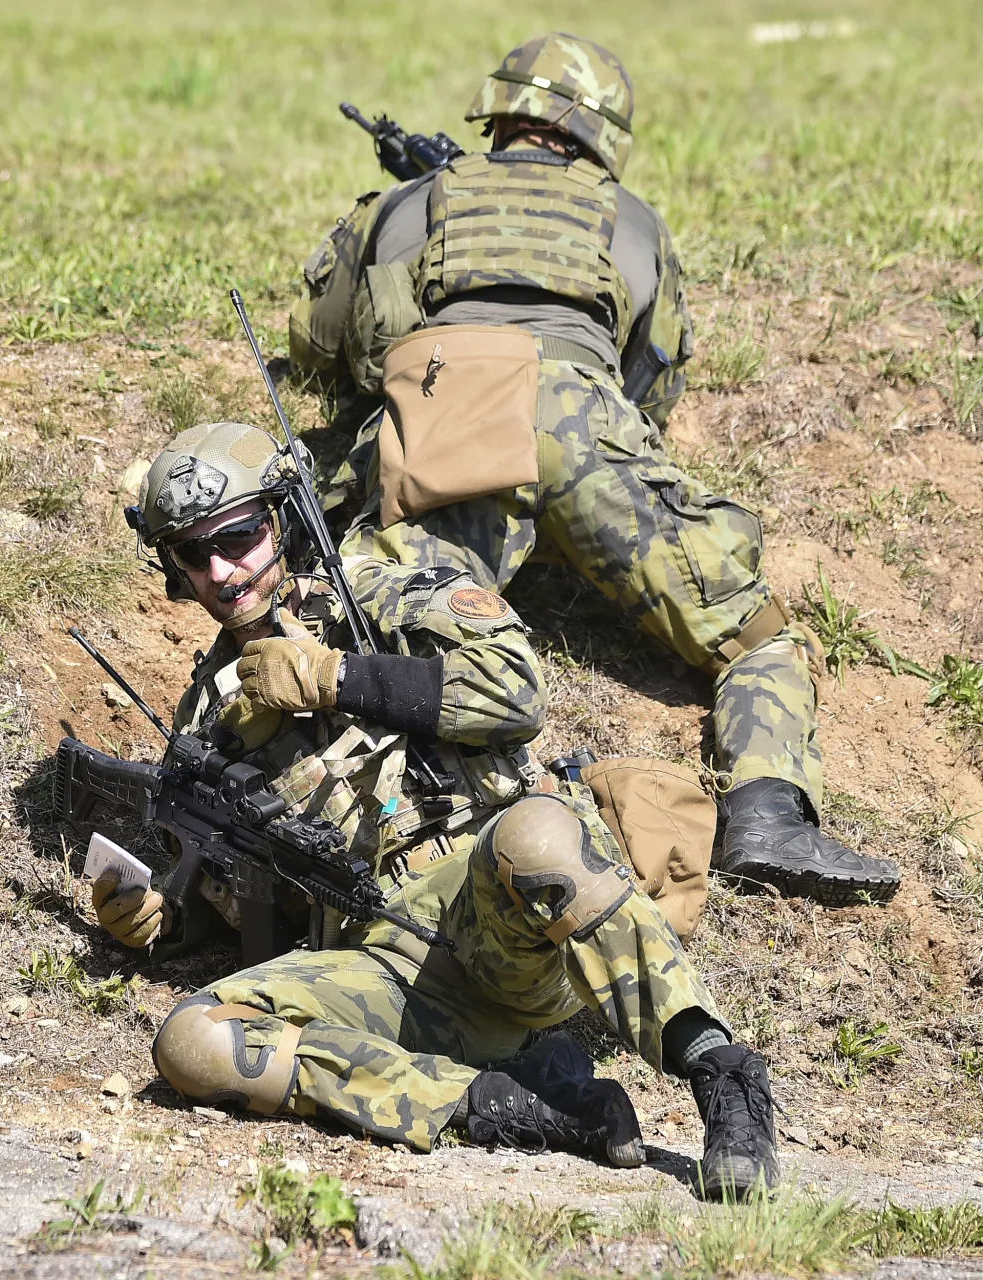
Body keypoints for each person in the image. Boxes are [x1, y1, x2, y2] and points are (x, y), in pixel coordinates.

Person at [286, 31, 900, 907]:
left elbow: (324, 345)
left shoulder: (406, 204)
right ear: (603, 136)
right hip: (587, 421)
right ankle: (768, 815)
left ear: (498, 112)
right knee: (754, 634)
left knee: (373, 613)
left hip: (450, 413)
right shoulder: (635, 222)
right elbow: (653, 385)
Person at [92, 420, 780, 1198]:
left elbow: (515, 691)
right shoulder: (206, 718)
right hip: (383, 967)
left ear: (283, 517)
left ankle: (723, 1075)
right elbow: (250, 899)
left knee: (538, 834)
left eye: (240, 536)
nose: (222, 570)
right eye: (194, 553)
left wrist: (338, 678)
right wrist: (169, 920)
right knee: (193, 1039)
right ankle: (504, 1103)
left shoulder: (382, 590)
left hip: (503, 921)